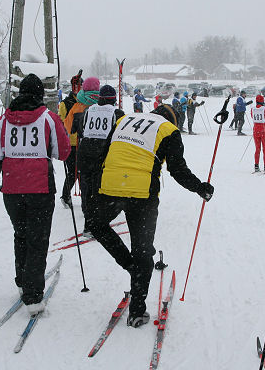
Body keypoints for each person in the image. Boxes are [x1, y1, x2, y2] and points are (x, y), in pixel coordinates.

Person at [87, 104, 214, 327]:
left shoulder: (123, 120)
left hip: (110, 186)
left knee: (96, 224)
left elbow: (102, 156)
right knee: (142, 251)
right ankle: (137, 308)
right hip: (142, 194)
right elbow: (177, 170)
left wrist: (94, 189)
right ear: (171, 119)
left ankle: (129, 265)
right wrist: (200, 187)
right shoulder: (169, 130)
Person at [0, 73, 71, 315]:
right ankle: (33, 296)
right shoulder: (48, 118)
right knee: (37, 239)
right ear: (40, 95)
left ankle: (23, 282)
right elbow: (63, 152)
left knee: (21, 235)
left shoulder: (4, 120)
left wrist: (5, 166)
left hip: (12, 189)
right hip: (40, 188)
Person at [76, 85, 124, 234]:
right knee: (100, 191)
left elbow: (80, 131)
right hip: (102, 155)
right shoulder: (117, 113)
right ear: (114, 99)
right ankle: (95, 225)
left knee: (87, 188)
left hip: (85, 154)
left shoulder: (88, 111)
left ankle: (88, 221)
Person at [63, 76, 100, 235]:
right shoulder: (102, 104)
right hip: (100, 151)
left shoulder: (77, 106)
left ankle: (87, 215)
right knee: (98, 183)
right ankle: (97, 218)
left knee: (82, 179)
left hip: (79, 147)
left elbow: (67, 126)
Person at [58, 71, 83, 209]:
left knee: (78, 172)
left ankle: (71, 195)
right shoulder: (66, 103)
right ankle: (66, 195)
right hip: (72, 143)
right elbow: (62, 121)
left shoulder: (82, 102)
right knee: (74, 172)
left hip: (80, 142)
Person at [251, 95, 265, 173]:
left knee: (257, 149)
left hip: (256, 130)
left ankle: (256, 166)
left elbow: (252, 116)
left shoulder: (253, 109)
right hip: (264, 130)